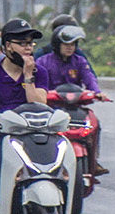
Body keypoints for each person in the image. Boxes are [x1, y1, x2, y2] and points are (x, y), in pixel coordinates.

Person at [0, 19, 50, 195]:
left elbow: (39, 104)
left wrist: (28, 76)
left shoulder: (40, 72)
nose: (28, 48)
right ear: (8, 46)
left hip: (32, 134)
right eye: (22, 43)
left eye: (30, 43)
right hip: (0, 135)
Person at [36, 24, 110, 176]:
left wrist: (97, 93)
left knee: (94, 123)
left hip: (75, 105)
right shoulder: (43, 61)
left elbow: (90, 79)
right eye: (66, 44)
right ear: (57, 44)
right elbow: (37, 83)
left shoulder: (80, 61)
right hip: (51, 108)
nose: (70, 48)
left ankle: (93, 161)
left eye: (73, 44)